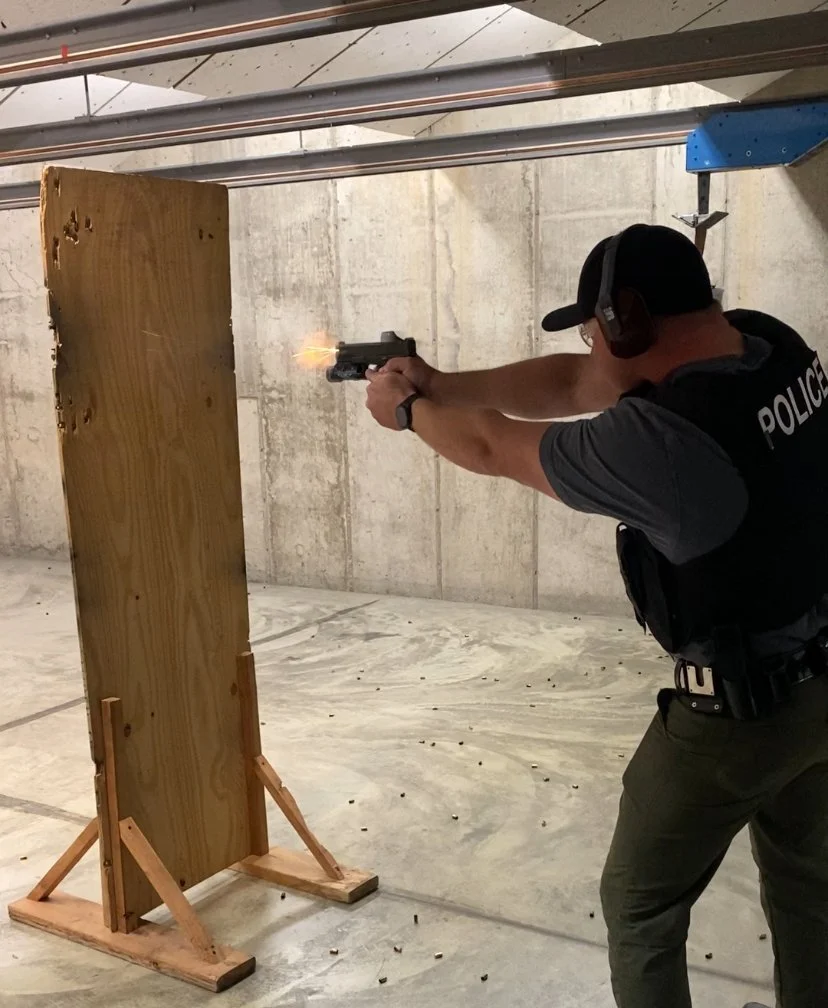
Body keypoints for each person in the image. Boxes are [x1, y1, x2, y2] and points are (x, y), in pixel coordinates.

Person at [364, 223, 828, 1008]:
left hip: (739, 714)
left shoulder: (663, 443)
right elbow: (577, 384)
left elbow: (489, 448)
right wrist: (440, 382)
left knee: (641, 903)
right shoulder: (769, 350)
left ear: (627, 319)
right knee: (807, 884)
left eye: (593, 326)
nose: (589, 343)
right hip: (821, 686)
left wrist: (405, 413)